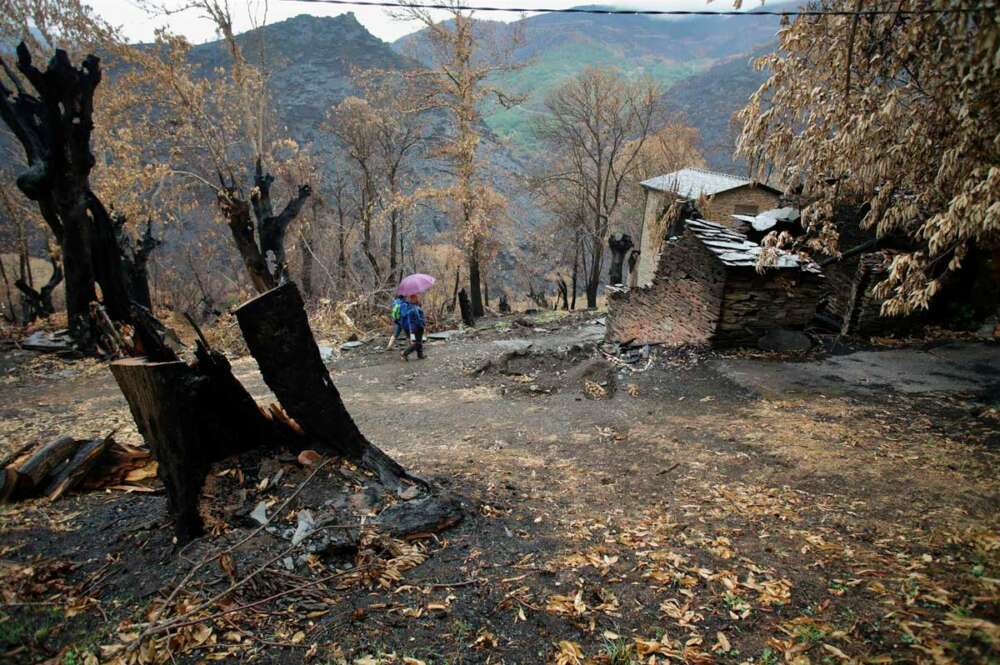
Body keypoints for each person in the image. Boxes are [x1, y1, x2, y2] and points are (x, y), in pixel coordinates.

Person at [401, 293, 426, 361]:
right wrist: (422, 324)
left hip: (414, 327)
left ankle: (420, 355)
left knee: (419, 340)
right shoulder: (414, 308)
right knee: (418, 343)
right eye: (416, 298)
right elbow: (418, 318)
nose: (417, 298)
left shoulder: (412, 306)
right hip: (417, 326)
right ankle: (405, 353)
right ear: (413, 299)